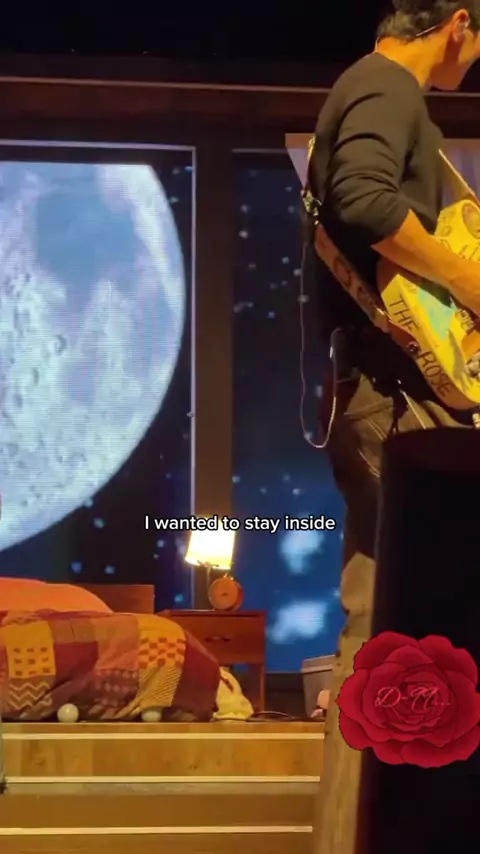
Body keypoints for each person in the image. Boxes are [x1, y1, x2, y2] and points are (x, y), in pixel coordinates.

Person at [302, 2, 480, 852]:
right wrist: (469, 283)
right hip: (398, 395)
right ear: (458, 23)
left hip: (379, 391)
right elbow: (364, 200)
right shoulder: (388, 87)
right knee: (391, 634)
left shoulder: (370, 87)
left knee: (388, 630)